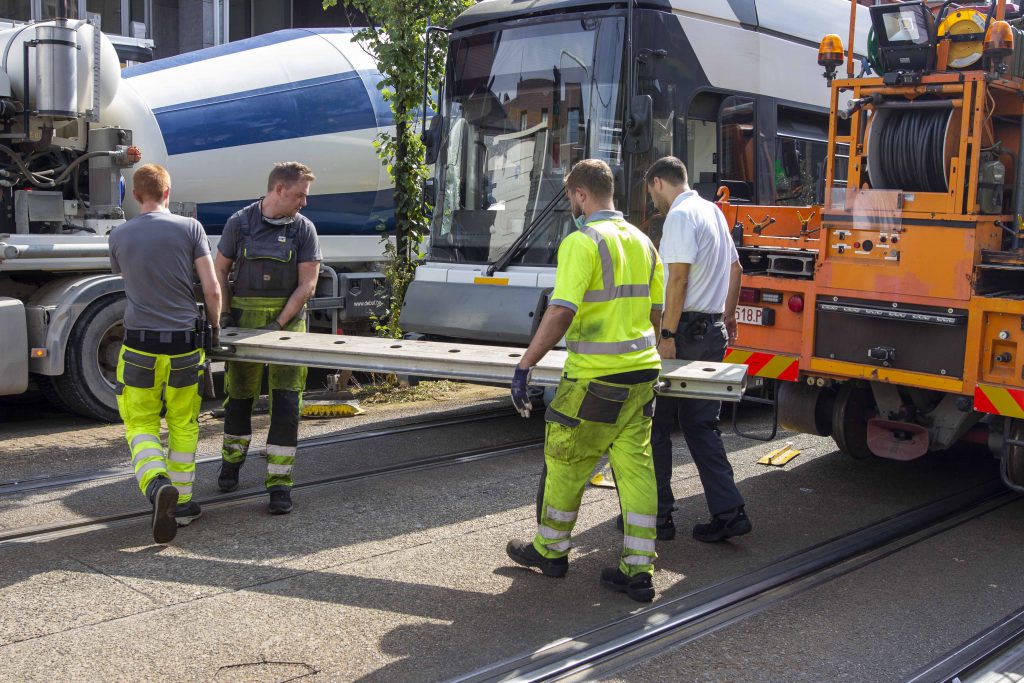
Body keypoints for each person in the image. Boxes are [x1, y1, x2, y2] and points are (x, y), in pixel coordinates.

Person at [505, 159, 665, 603]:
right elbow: (656, 310)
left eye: (570, 198)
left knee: (565, 456)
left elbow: (561, 310)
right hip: (641, 374)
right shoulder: (643, 241)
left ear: (579, 194)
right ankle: (638, 570)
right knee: (635, 469)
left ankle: (550, 551)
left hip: (596, 377)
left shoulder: (583, 242)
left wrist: (525, 365)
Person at [109, 163, 222, 544]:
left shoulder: (119, 234)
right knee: (183, 423)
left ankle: (157, 487)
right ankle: (184, 504)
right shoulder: (191, 228)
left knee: (140, 424)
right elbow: (212, 289)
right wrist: (215, 328)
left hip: (138, 344)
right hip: (184, 346)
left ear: (136, 195)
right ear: (168, 192)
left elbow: (132, 282)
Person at [644, 156, 751, 543]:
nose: (654, 203)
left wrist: (667, 333)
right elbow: (736, 269)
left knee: (657, 423)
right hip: (713, 330)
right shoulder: (713, 212)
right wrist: (730, 316)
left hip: (685, 330)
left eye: (651, 193)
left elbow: (678, 278)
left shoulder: (679, 215)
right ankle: (729, 510)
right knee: (701, 425)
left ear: (658, 182)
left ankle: (658, 516)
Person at [214, 162, 321, 514]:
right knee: (239, 398)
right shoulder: (239, 223)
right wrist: (225, 316)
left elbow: (308, 284)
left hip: (287, 326)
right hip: (243, 322)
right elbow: (219, 271)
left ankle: (279, 485)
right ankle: (231, 464)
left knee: (288, 404)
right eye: (300, 195)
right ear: (279, 189)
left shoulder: (303, 229)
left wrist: (278, 324)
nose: (304, 202)